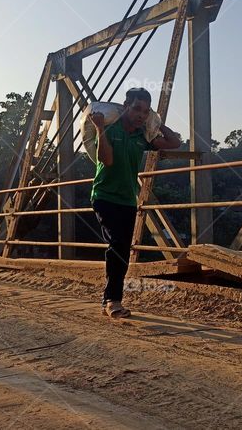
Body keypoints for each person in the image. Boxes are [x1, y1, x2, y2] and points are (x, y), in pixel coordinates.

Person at [90, 88, 181, 319]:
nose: (141, 115)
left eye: (145, 111)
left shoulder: (143, 136)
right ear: (126, 106)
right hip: (105, 195)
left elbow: (174, 142)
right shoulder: (110, 127)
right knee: (118, 246)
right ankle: (112, 301)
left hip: (128, 199)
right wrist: (100, 128)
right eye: (137, 109)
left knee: (121, 249)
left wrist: (156, 121)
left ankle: (110, 299)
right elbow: (106, 160)